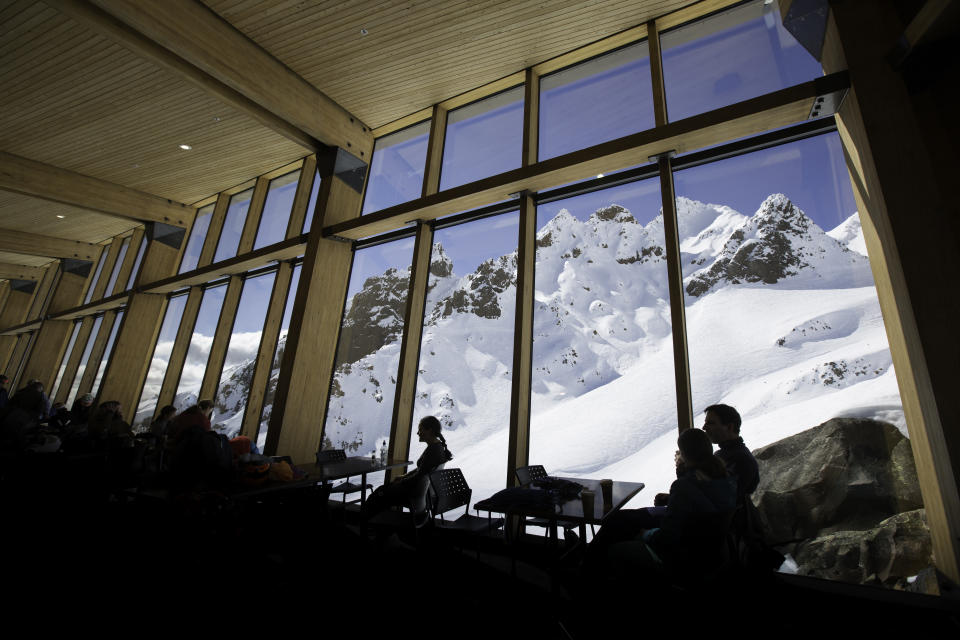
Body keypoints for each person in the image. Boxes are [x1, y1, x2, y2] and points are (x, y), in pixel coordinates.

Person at [362, 415, 453, 522]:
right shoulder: (438, 448)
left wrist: (400, 483)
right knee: (383, 493)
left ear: (429, 430)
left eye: (420, 430)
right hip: (421, 495)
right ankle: (380, 528)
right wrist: (404, 476)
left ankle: (365, 524)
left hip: (414, 494)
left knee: (379, 494)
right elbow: (422, 470)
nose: (418, 433)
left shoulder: (433, 451)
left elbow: (420, 476)